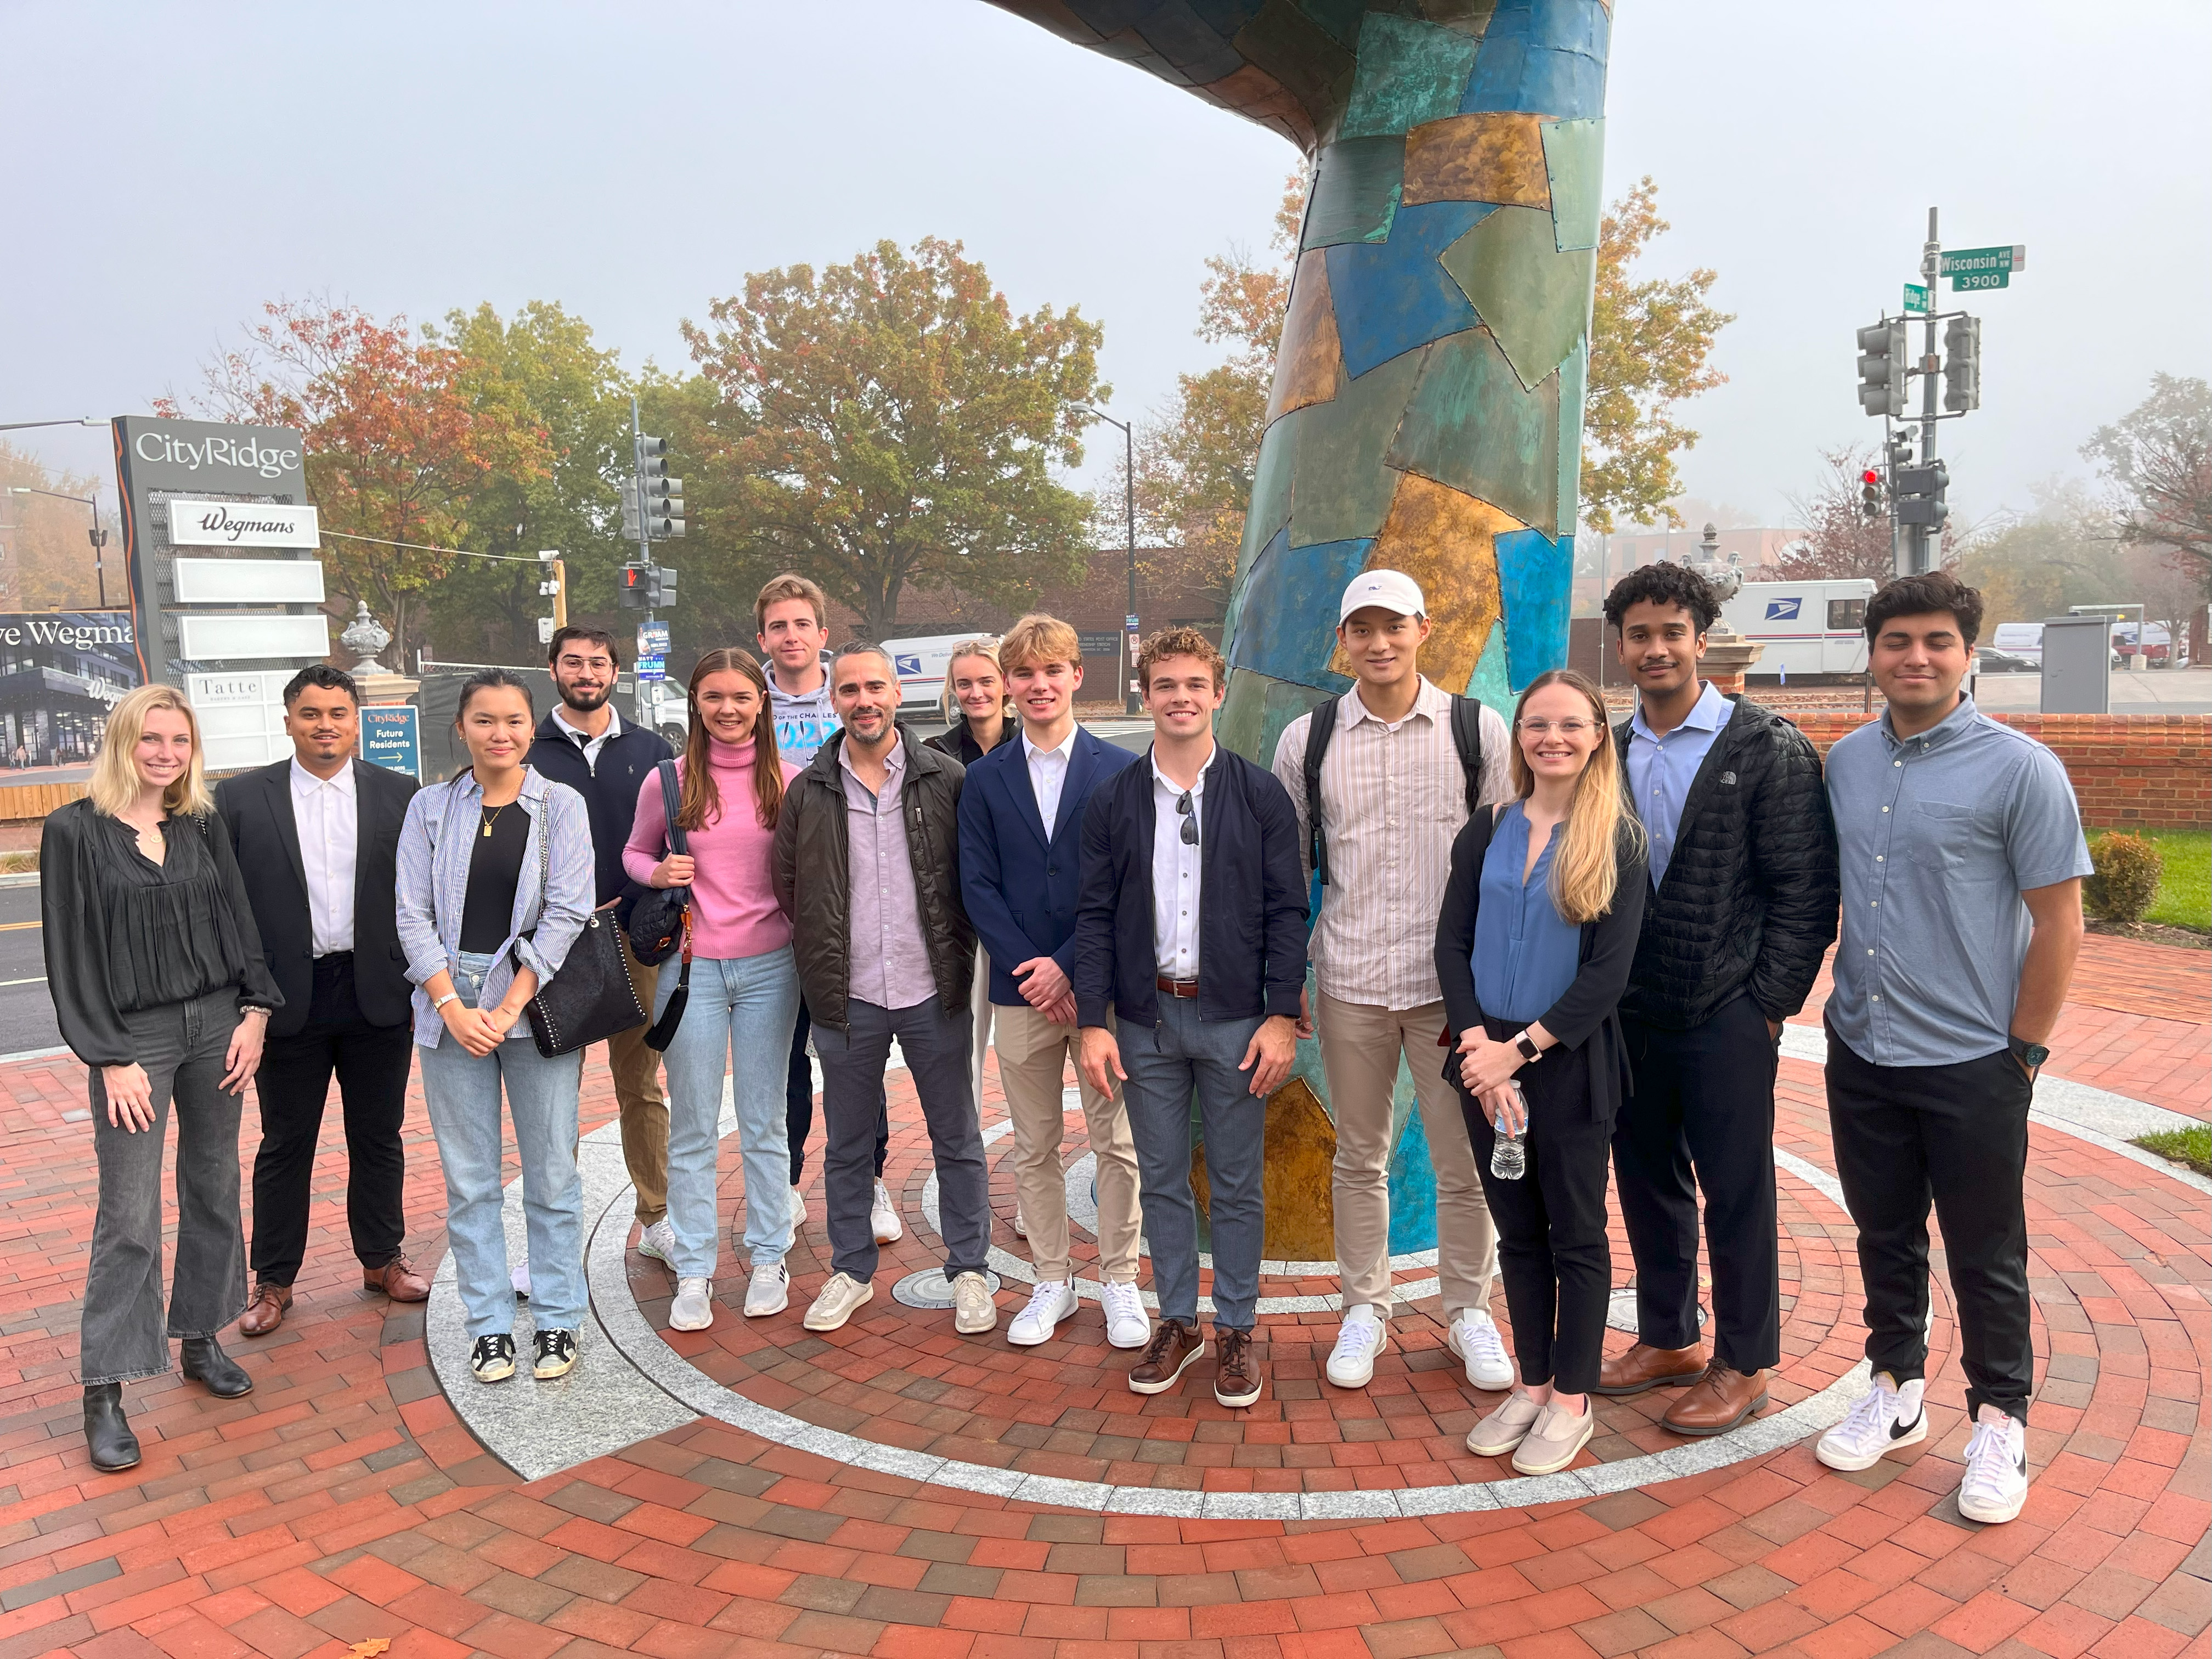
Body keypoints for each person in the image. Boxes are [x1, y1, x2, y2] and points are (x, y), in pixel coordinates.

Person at [1814, 572, 2088, 1526]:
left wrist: (2024, 1051)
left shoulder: (2021, 770)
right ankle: (1894, 1388)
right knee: (1883, 1234)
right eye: (1897, 640)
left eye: (1937, 641)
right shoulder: (1846, 761)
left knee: (1985, 1251)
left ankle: (2001, 1419)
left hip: (1973, 1062)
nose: (1916, 657)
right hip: (1862, 1048)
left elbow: (2060, 923)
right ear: (1873, 654)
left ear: (1969, 654)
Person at [1596, 565, 1839, 1434]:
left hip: (1727, 1011)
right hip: (1631, 1012)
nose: (1656, 649)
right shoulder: (1606, 752)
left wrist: (1766, 1006)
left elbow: (1805, 893)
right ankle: (1669, 1338)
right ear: (1620, 646)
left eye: (1672, 632)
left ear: (1702, 640)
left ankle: (1746, 1360)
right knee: (1646, 1181)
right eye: (1639, 635)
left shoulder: (1766, 747)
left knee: (1736, 1190)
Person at [1269, 571, 1513, 1394]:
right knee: (1359, 1157)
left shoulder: (1477, 730)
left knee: (1463, 1161)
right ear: (1343, 640)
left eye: (1394, 626)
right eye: (1363, 629)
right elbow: (1287, 874)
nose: (1379, 643)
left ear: (1423, 629)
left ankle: (1468, 1310)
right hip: (1351, 977)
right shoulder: (1308, 741)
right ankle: (1364, 1308)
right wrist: (1287, 984)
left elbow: (1510, 865)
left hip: (1452, 992)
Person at [45, 686, 280, 1471]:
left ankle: (201, 1338)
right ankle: (104, 1390)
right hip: (134, 1038)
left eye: (180, 741)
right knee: (128, 1212)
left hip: (218, 1025)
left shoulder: (201, 823)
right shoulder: (74, 831)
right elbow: (71, 954)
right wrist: (109, 1057)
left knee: (214, 1185)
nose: (166, 754)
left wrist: (255, 1011)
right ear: (123, 741)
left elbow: (239, 920)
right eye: (151, 738)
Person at [1075, 629, 1305, 1409]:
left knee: (1237, 1184)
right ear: (1145, 694)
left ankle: (1236, 1326)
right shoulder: (1114, 800)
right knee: (1163, 1180)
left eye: (1195, 684)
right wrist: (1093, 1022)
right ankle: (1179, 1321)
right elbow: (1094, 916)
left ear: (1218, 692)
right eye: (1165, 684)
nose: (1181, 697)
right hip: (1146, 1022)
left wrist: (1281, 1015)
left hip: (1236, 1021)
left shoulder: (1259, 796)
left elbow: (1288, 910)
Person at [1435, 669, 1648, 1477]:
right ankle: (1532, 1384)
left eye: (1570, 725)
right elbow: (1452, 943)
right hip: (1480, 1061)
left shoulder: (1619, 839)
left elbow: (1607, 977)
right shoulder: (1487, 828)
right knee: (1518, 1235)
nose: (1551, 738)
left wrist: (1516, 1053)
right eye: (1536, 724)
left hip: (1567, 1064)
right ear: (1518, 735)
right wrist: (1477, 1052)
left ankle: (1573, 1400)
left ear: (1597, 738)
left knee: (1576, 1235)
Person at [774, 643, 992, 1334]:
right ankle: (851, 1270)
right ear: (833, 701)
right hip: (848, 996)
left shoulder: (947, 778)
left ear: (898, 693)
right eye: (849, 690)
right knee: (846, 1145)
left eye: (875, 687)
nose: (863, 700)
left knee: (956, 1136)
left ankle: (970, 1270)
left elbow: (972, 874)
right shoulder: (808, 791)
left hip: (934, 990)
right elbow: (789, 886)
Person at [217, 666, 427, 1339]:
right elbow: (229, 909)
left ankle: (382, 1259)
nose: (325, 725)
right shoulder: (242, 799)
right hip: (285, 997)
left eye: (338, 713)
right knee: (285, 1143)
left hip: (376, 992)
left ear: (356, 720)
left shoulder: (400, 794)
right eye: (311, 714)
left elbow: (420, 893)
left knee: (379, 1135)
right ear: (288, 722)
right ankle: (274, 1280)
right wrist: (248, 996)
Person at [398, 670, 595, 1386]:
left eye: (513, 720)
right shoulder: (429, 808)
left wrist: (509, 1005)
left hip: (532, 1001)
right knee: (471, 1180)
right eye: (485, 720)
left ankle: (558, 1317)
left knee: (551, 1173)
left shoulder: (561, 806)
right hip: (449, 1005)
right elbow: (410, 914)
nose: (500, 733)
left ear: (530, 728)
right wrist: (451, 1006)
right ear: (462, 728)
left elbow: (569, 911)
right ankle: (487, 1326)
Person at [958, 616, 1146, 1350]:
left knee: (1116, 1143)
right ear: (1009, 684)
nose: (1039, 685)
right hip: (1022, 992)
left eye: (1052, 671)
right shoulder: (984, 778)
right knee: (1032, 1146)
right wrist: (1034, 971)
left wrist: (1068, 964)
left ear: (1076, 676)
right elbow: (977, 886)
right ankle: (1053, 1280)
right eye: (1025, 674)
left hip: (1103, 989)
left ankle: (1120, 1279)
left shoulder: (1121, 769)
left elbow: (1132, 882)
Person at [624, 649, 802, 1329]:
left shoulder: (788, 780)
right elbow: (634, 851)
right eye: (713, 697)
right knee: (694, 1125)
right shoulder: (667, 781)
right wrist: (655, 873)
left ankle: (769, 1257)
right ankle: (695, 1267)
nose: (728, 709)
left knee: (764, 1121)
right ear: (696, 703)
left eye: (741, 697)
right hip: (691, 969)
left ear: (762, 703)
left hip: (772, 969)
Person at [524, 626, 673, 1279]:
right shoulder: (526, 751)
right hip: (552, 948)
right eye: (573, 662)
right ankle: (555, 1242)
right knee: (553, 1097)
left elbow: (671, 840)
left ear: (616, 671)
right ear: (553, 668)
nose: (586, 673)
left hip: (634, 938)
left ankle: (658, 1218)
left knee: (641, 1086)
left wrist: (638, 895)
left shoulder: (653, 750)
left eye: (598, 663)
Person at [757, 573, 898, 1247]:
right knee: (785, 1059)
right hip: (775, 910)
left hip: (858, 907)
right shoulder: (747, 703)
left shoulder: (852, 698)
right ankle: (785, 1184)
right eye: (777, 626)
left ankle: (871, 1179)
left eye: (801, 624)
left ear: (823, 633)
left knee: (856, 1053)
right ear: (763, 638)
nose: (791, 637)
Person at [928, 639, 1018, 1142]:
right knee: (963, 1059)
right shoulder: (933, 754)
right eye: (965, 683)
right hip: (958, 925)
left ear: (1005, 683)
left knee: (1027, 1057)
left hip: (1020, 922)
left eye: (986, 680)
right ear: (952, 689)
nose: (976, 692)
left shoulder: (1031, 747)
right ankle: (965, 1166)